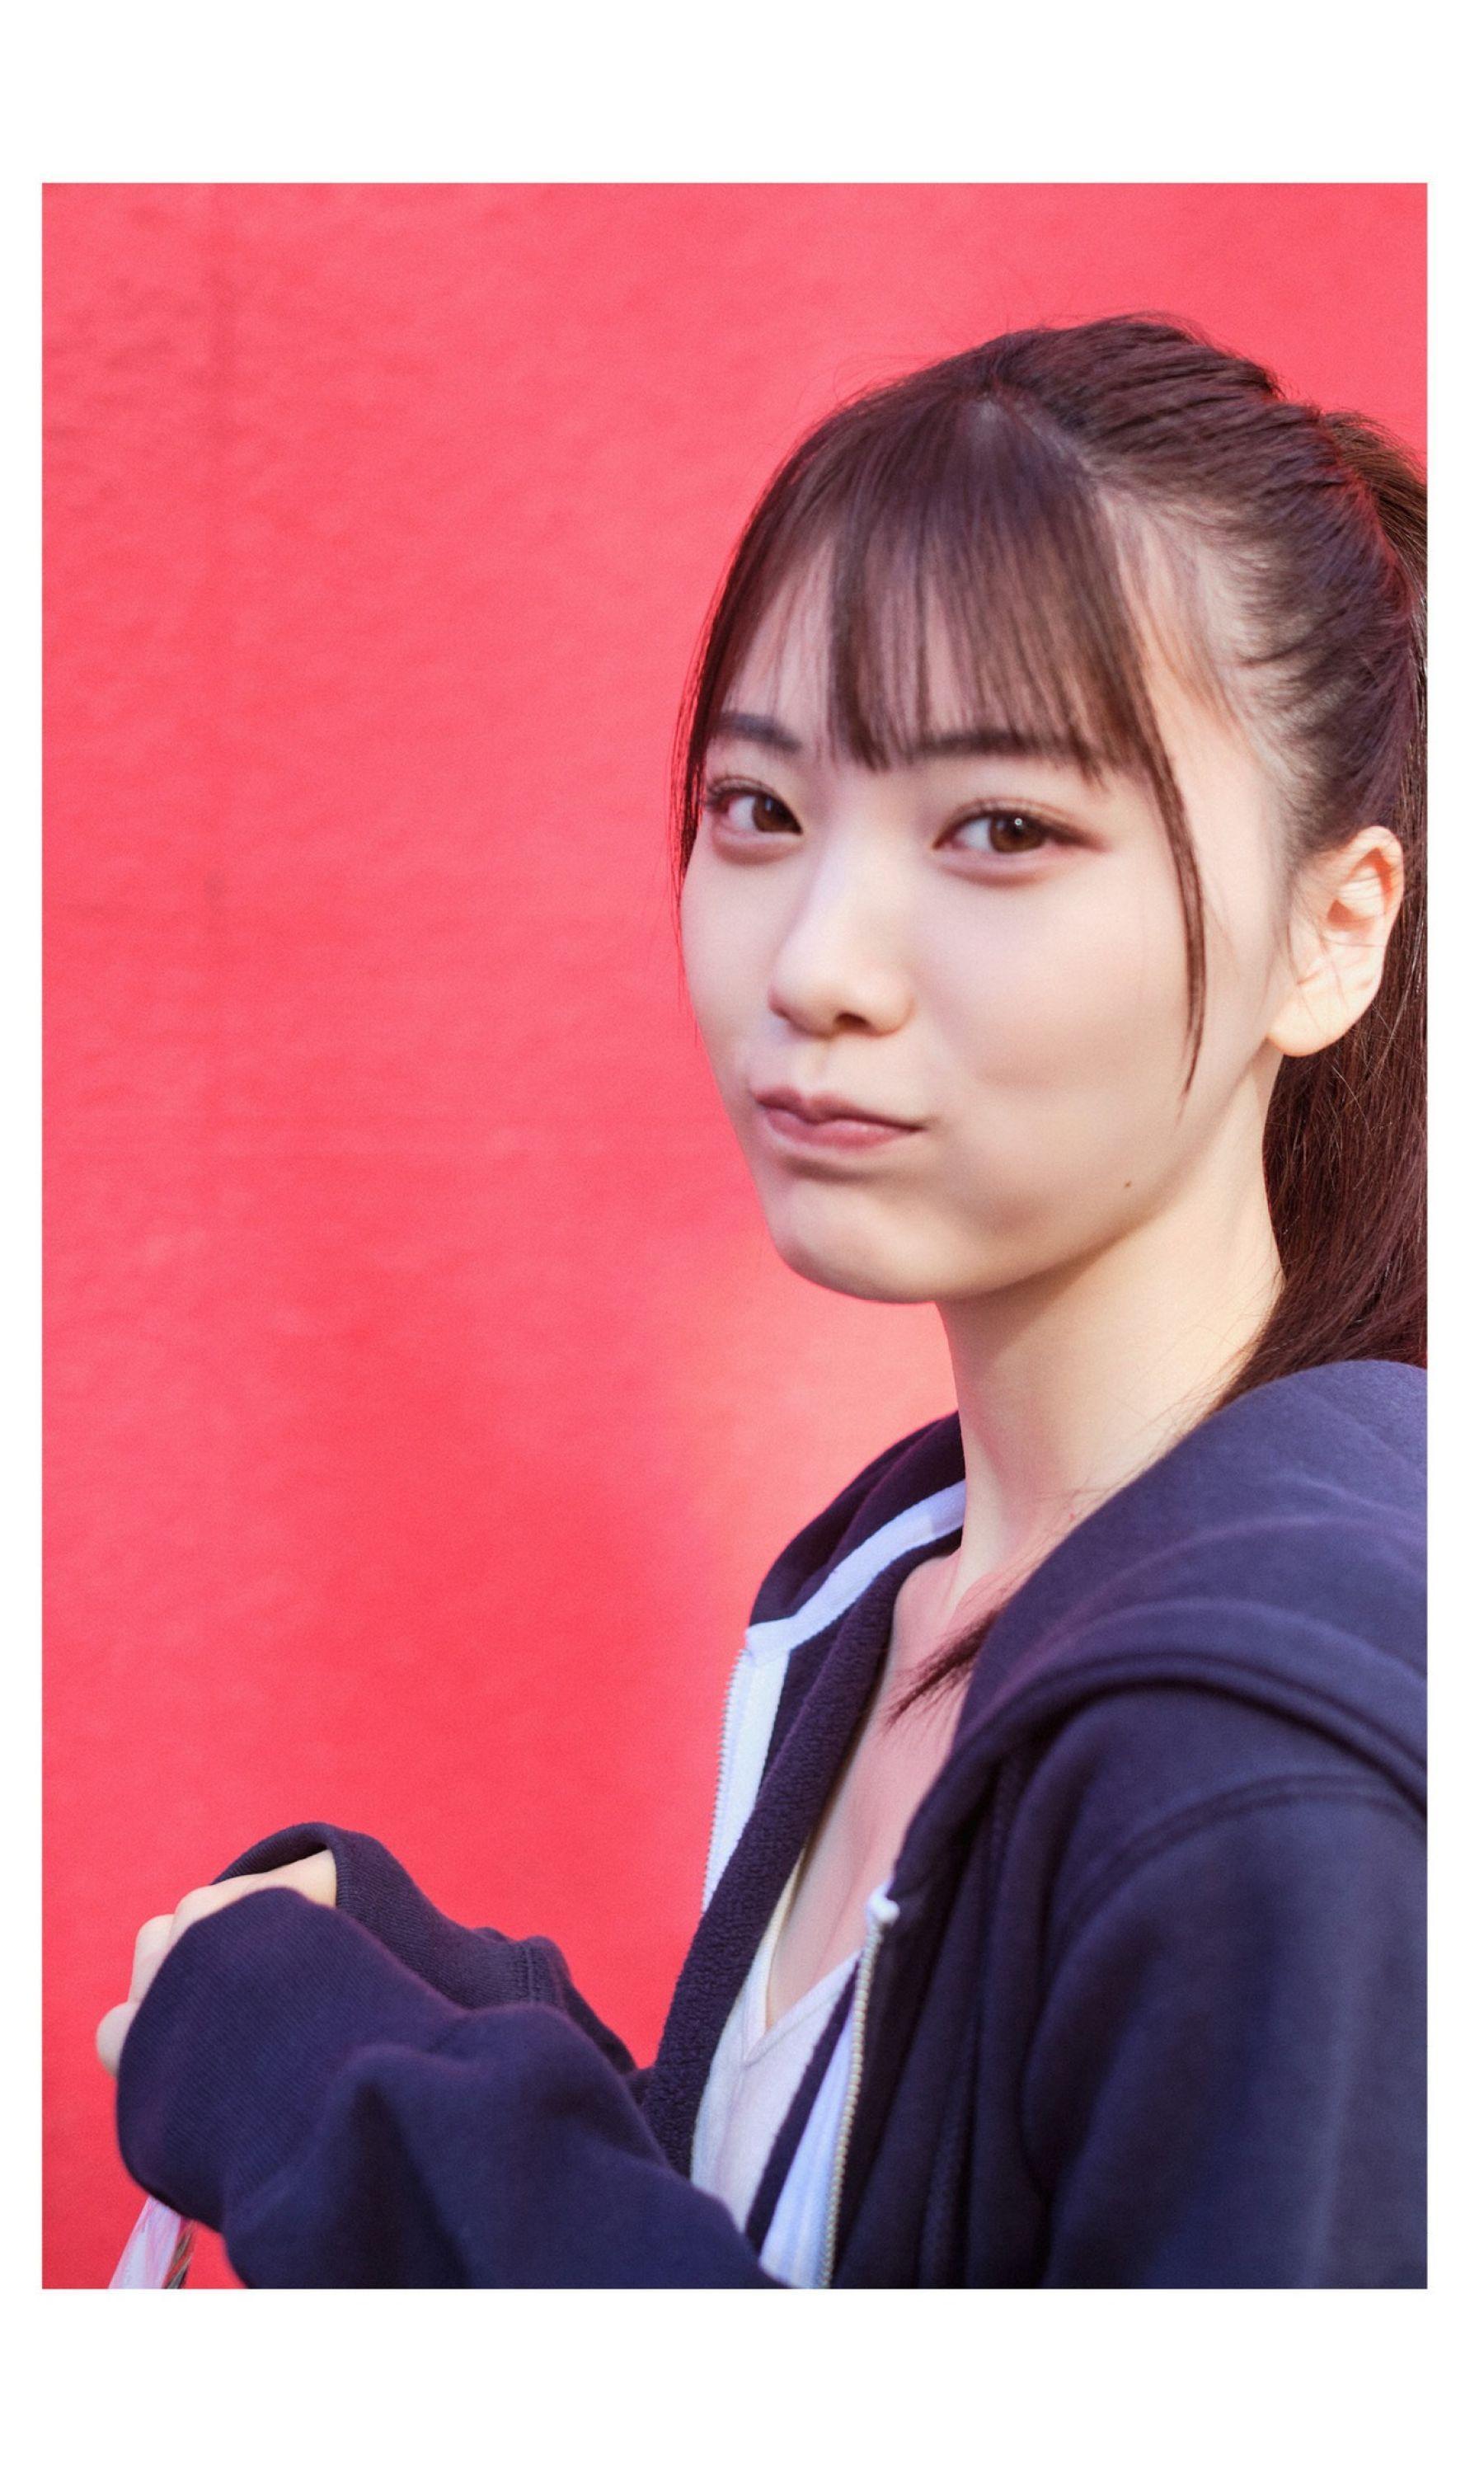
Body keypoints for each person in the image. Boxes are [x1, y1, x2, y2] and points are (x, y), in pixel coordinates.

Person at [96, 313, 1426, 2287]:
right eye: (761, 809)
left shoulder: (1261, 1770)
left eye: (1002, 829)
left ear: (1332, 934)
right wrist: (456, 2026)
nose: (817, 963)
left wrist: (350, 2114)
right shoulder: (897, 1588)